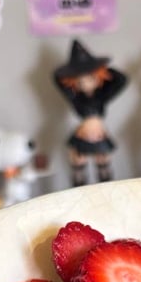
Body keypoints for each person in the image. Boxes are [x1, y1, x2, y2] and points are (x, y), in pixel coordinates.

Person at [52, 40, 127, 186]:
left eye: (90, 79)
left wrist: (102, 68)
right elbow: (57, 78)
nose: (85, 84)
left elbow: (122, 79)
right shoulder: (75, 98)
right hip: (83, 133)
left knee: (103, 163)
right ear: (73, 83)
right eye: (80, 82)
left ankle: (106, 190)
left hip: (99, 132)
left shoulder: (102, 96)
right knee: (79, 163)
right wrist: (74, 70)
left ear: (98, 78)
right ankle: (80, 190)